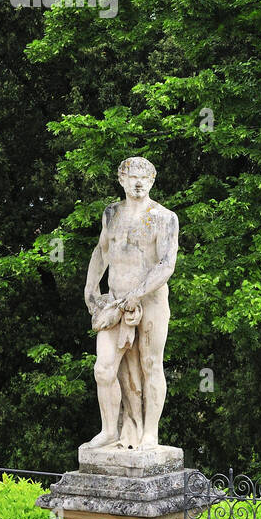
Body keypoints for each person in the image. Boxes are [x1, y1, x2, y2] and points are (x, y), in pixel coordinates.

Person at [82, 156, 179, 449]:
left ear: (152, 181)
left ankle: (149, 433)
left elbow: (166, 264)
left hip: (149, 301)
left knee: (151, 364)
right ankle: (110, 430)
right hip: (114, 302)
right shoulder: (111, 213)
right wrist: (90, 287)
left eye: (145, 178)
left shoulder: (164, 217)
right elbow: (102, 252)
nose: (138, 183)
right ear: (121, 180)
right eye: (132, 177)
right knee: (104, 369)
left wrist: (138, 293)